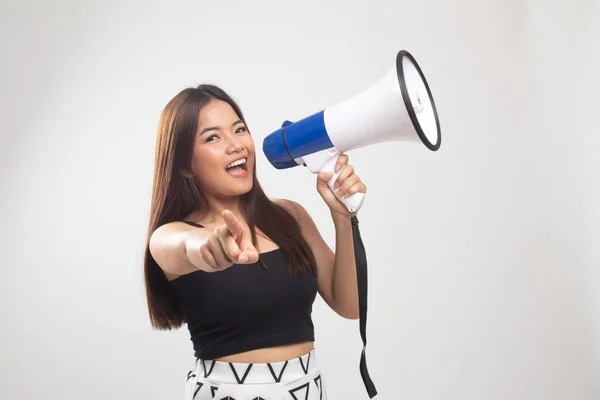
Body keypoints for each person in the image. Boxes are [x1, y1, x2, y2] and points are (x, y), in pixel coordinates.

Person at [144, 84, 367, 400]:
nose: (236, 145)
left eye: (239, 129)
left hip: (308, 390)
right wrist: (209, 249)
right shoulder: (169, 235)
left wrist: (342, 218)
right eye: (213, 137)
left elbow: (351, 305)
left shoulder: (290, 216)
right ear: (184, 166)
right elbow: (186, 246)